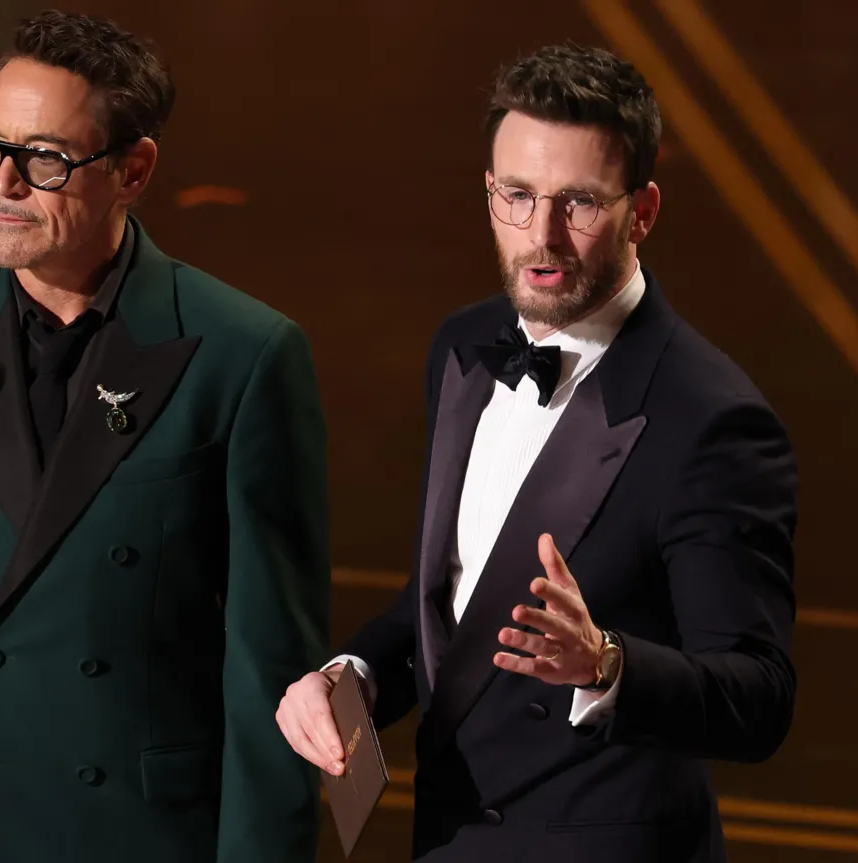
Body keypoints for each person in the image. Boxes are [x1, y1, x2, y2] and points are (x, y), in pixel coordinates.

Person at [0, 11, 330, 863]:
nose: (3, 185)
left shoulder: (242, 358)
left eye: (45, 158)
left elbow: (271, 684)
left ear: (134, 170)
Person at [276, 43, 798, 862]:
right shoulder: (462, 346)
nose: (541, 236)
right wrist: (353, 678)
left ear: (645, 210)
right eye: (516, 195)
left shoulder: (713, 419)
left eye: (579, 202)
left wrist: (606, 664)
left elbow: (760, 698)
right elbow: (452, 602)